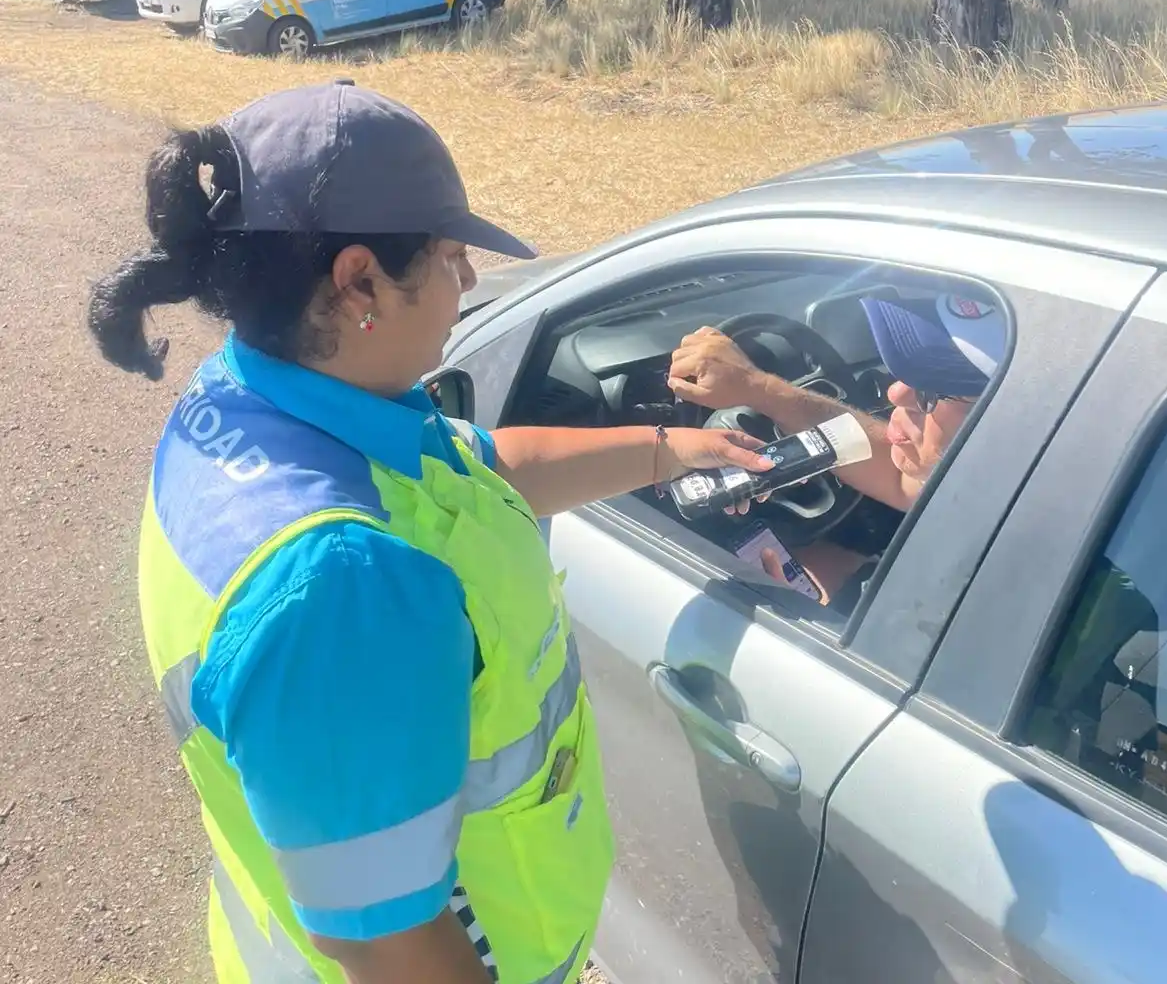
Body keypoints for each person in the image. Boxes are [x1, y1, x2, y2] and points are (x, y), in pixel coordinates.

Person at [87, 81, 775, 984]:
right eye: (452, 255)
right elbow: (388, 943)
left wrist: (668, 447)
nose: (471, 280)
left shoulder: (252, 400)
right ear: (359, 280)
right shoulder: (339, 585)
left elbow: (479, 464)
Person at [668, 293, 1006, 606]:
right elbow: (901, 482)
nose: (895, 394)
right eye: (905, 374)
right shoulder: (991, 483)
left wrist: (806, 619)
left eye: (933, 392)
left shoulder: (996, 577)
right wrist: (759, 387)